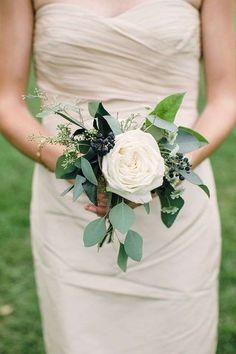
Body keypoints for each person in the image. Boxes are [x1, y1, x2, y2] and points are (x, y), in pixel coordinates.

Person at [0, 0, 235, 353]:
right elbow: (6, 100)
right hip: (71, 208)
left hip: (175, 211)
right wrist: (73, 164)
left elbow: (226, 97)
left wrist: (165, 169)